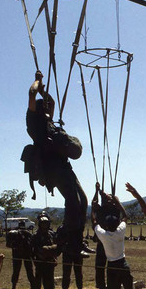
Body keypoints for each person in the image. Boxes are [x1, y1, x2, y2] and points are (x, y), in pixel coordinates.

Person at [21, 70, 87, 255]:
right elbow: (31, 94)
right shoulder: (33, 122)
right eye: (45, 109)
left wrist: (43, 90)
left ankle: (77, 241)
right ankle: (66, 240)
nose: (49, 111)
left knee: (83, 201)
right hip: (51, 168)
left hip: (64, 166)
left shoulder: (49, 124)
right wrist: (37, 82)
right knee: (73, 201)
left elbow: (52, 101)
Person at [91, 191, 141, 289]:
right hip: (123, 264)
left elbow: (94, 222)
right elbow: (125, 216)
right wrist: (118, 203)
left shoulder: (104, 235)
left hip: (112, 267)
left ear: (106, 226)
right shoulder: (121, 231)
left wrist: (92, 210)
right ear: (117, 224)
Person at [91, 182, 121, 289]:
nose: (107, 200)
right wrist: (96, 191)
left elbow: (114, 199)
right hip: (102, 241)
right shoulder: (101, 209)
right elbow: (93, 204)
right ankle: (101, 287)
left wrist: (100, 192)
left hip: (113, 242)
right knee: (99, 265)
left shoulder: (115, 208)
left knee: (114, 266)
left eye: (109, 198)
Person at [31, 212, 59, 289]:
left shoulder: (51, 234)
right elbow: (33, 249)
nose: (45, 225)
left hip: (50, 260)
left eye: (46, 224)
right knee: (38, 280)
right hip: (40, 261)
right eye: (43, 224)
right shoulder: (35, 236)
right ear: (40, 224)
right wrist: (35, 259)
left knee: (50, 280)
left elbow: (55, 246)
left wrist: (54, 257)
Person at [6, 221, 35, 289]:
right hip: (27, 254)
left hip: (17, 254)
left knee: (16, 271)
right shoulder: (28, 233)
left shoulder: (13, 233)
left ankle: (13, 288)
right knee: (29, 271)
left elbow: (8, 245)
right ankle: (33, 287)